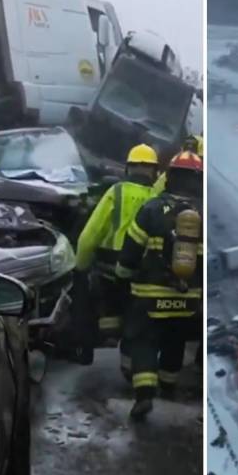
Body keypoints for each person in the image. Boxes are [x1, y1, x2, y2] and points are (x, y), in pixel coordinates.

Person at [117, 151, 204, 420]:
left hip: (149, 294)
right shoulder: (202, 213)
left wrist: (122, 276)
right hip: (188, 296)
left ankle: (144, 394)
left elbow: (131, 251)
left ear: (169, 176)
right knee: (175, 340)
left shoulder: (152, 209)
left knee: (144, 340)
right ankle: (169, 385)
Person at [72, 144, 160, 368]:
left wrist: (80, 268)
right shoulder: (157, 198)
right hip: (143, 270)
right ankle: (129, 361)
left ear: (128, 169)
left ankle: (105, 329)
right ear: (154, 171)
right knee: (137, 318)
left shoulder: (117, 192)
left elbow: (90, 235)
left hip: (109, 266)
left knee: (93, 292)